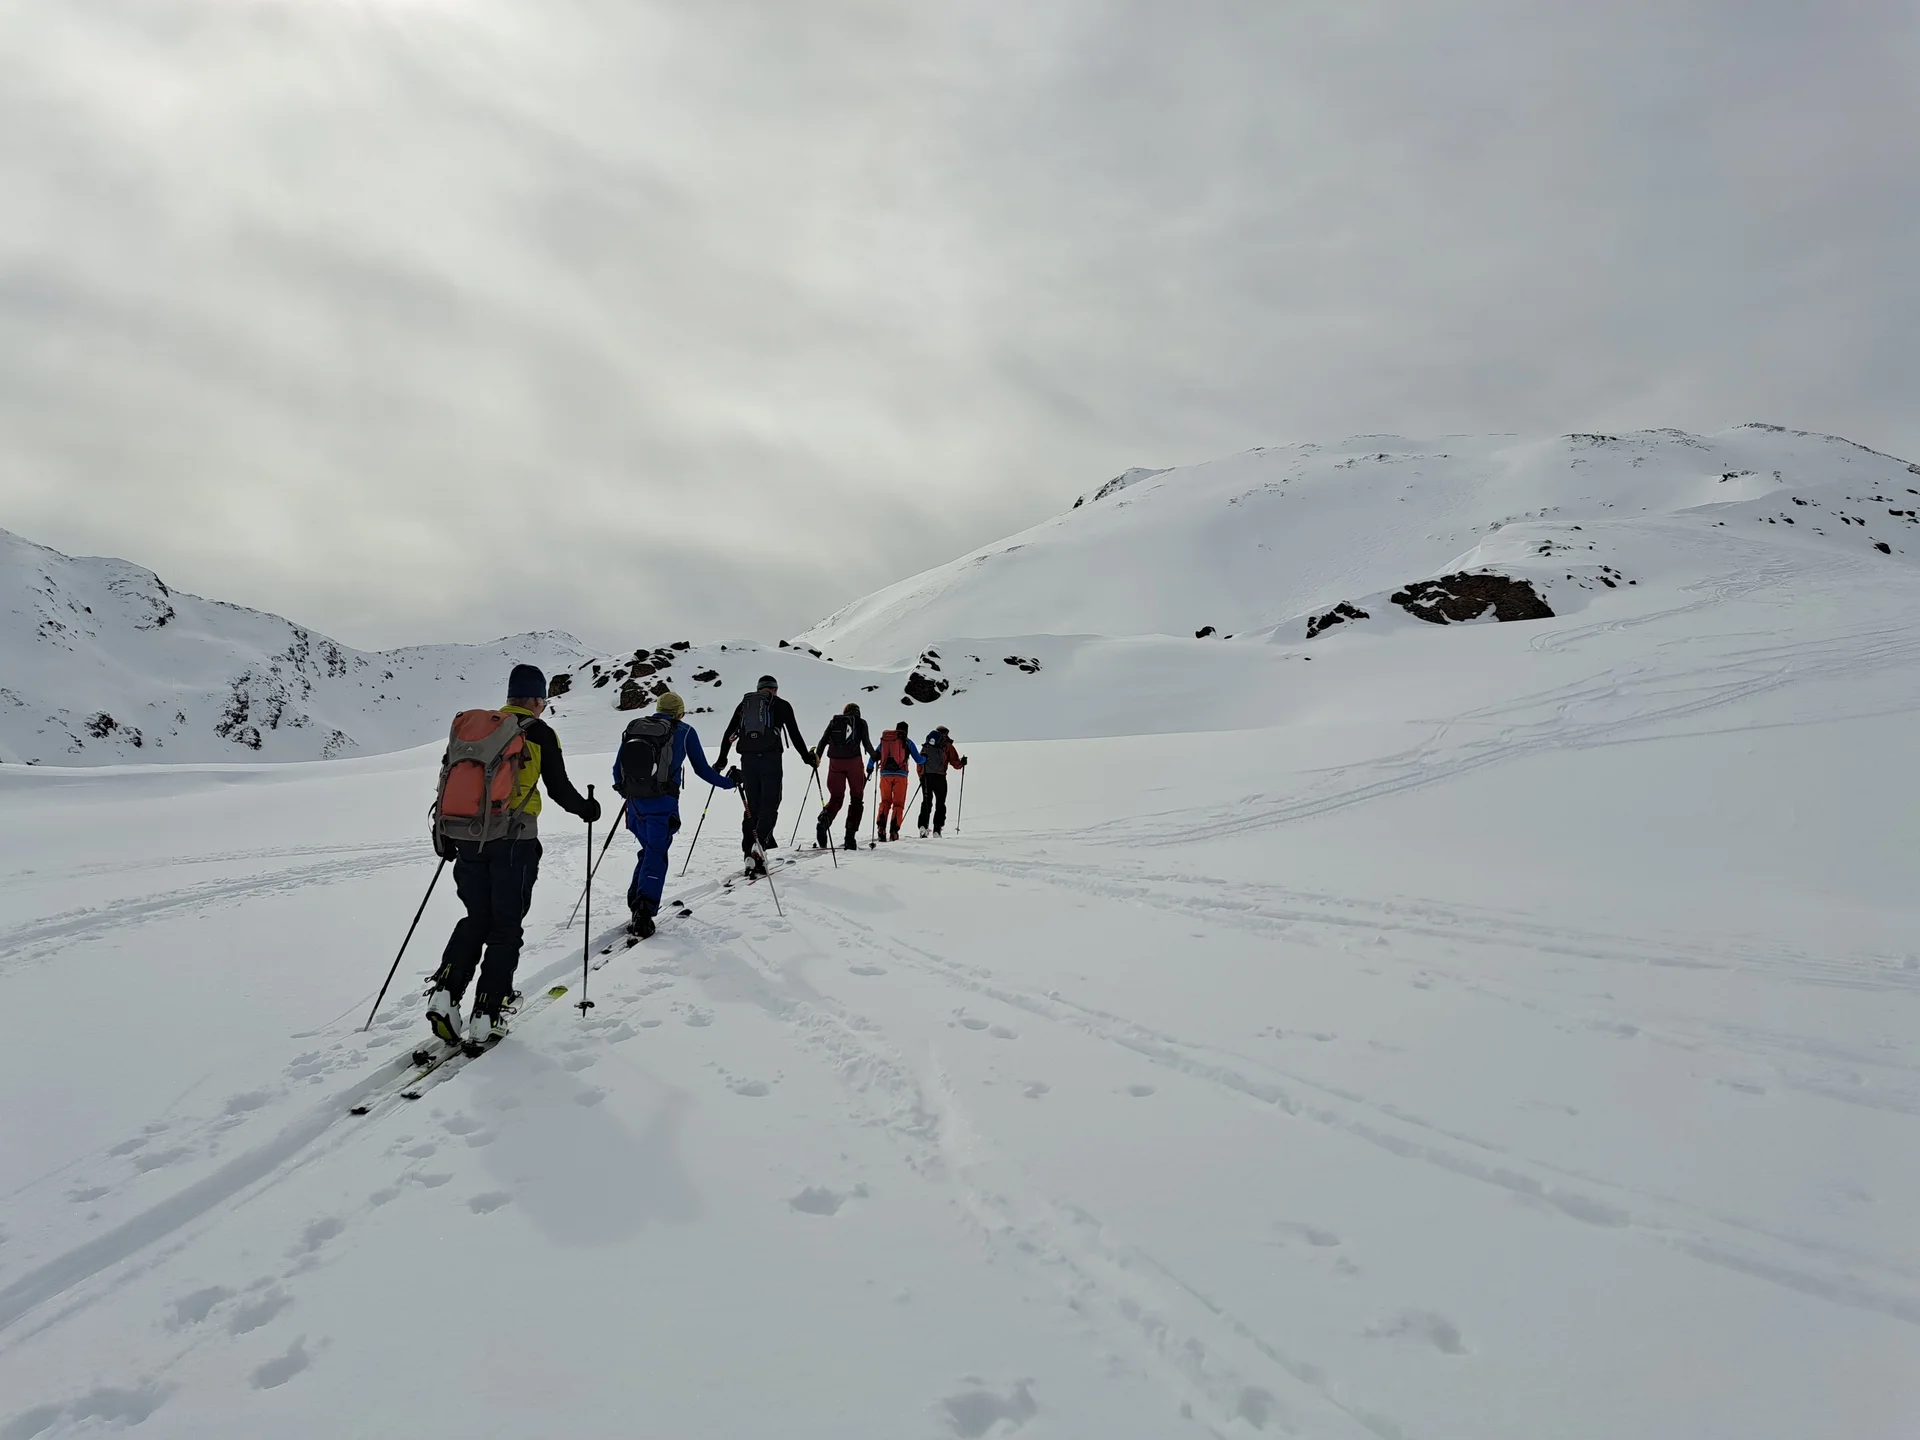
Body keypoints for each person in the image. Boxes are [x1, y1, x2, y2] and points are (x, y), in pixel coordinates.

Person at [427, 664, 601, 1048]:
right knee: (505, 926)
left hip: (468, 837)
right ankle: (488, 1011)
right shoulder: (539, 732)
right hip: (515, 841)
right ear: (538, 699)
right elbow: (558, 788)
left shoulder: (481, 729)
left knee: (476, 917)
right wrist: (587, 809)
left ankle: (445, 992)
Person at [613, 691, 736, 938]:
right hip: (662, 803)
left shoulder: (636, 728)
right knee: (656, 854)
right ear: (680, 712)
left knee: (649, 850)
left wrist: (630, 792)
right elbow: (702, 769)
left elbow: (618, 769)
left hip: (634, 805)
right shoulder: (685, 731)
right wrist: (728, 783)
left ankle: (637, 902)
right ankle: (643, 912)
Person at [716, 674, 815, 874]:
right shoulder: (782, 705)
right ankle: (759, 845)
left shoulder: (745, 705)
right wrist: (807, 758)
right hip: (771, 759)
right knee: (770, 803)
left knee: (752, 806)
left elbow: (729, 733)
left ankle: (748, 853)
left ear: (758, 689)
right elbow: (794, 734)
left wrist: (721, 760)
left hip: (748, 760)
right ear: (775, 689)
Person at [814, 702, 877, 851]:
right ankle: (850, 837)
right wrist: (875, 756)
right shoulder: (861, 723)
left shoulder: (834, 722)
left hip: (835, 763)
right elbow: (867, 744)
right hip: (854, 762)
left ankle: (824, 821)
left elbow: (823, 741)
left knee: (836, 798)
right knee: (856, 799)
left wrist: (817, 758)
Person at [867, 720, 923, 843]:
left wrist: (869, 767)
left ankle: (881, 828)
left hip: (885, 775)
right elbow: (919, 760)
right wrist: (925, 759)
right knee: (898, 804)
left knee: (885, 802)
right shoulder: (907, 742)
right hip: (901, 776)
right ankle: (894, 832)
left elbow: (875, 755)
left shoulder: (886, 741)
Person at [916, 724, 967, 836]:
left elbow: (920, 762)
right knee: (940, 802)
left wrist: (921, 775)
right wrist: (962, 763)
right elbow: (955, 763)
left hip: (926, 777)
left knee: (926, 801)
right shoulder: (947, 745)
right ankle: (937, 829)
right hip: (940, 777)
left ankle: (923, 826)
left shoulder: (927, 744)